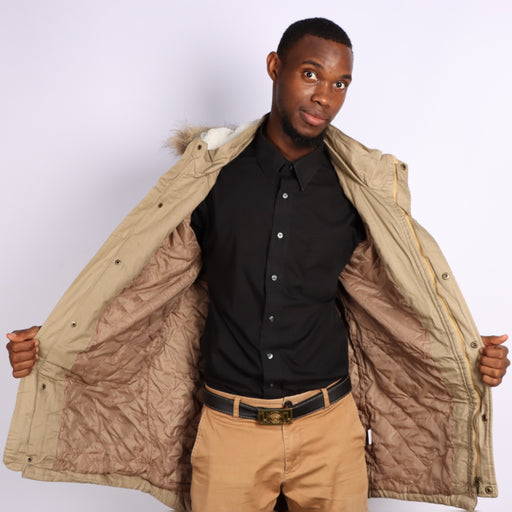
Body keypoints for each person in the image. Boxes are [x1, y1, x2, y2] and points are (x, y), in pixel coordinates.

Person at [5, 17, 509, 512]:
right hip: (230, 433)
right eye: (310, 74)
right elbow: (145, 282)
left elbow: (395, 298)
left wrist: (465, 349)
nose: (324, 96)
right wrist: (57, 339)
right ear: (274, 67)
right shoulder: (210, 179)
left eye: (340, 84)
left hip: (330, 431)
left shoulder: (357, 191)